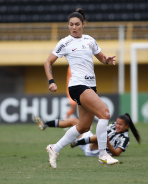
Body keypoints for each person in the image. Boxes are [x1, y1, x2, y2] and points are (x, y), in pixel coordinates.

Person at [44, 8, 118, 168]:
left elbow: (102, 58)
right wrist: (51, 81)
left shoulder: (90, 40)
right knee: (105, 113)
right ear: (68, 26)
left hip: (90, 86)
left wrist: (107, 61)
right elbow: (48, 62)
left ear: (83, 24)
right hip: (78, 86)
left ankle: (54, 148)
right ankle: (103, 154)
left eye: (77, 24)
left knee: (83, 126)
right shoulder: (64, 42)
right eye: (71, 25)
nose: (74, 27)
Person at [34, 113, 140, 157]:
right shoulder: (113, 126)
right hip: (90, 140)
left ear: (127, 126)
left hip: (94, 150)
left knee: (102, 137)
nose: (117, 125)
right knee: (75, 120)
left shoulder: (125, 138)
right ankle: (45, 124)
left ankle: (77, 142)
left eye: (120, 124)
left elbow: (117, 154)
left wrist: (107, 143)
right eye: (117, 123)